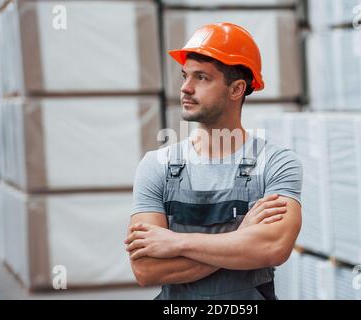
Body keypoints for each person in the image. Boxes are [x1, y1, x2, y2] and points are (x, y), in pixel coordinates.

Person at [125, 22, 302, 300]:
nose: (185, 88)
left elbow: (273, 248)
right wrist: (240, 237)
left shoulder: (276, 163)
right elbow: (146, 269)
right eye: (185, 76)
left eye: (202, 78)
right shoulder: (156, 165)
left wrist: (174, 242)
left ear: (236, 89)